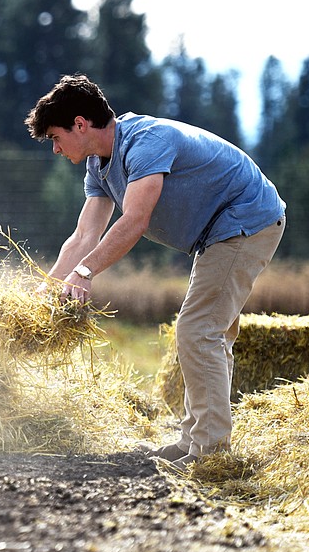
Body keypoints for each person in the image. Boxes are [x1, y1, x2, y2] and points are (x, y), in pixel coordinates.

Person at [25, 74, 285, 469]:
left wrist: (85, 272)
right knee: (206, 332)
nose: (56, 148)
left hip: (247, 218)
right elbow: (83, 236)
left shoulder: (145, 141)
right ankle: (194, 441)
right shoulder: (98, 166)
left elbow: (135, 221)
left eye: (56, 137)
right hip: (219, 232)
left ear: (81, 124)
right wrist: (47, 290)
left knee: (198, 330)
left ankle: (211, 454)